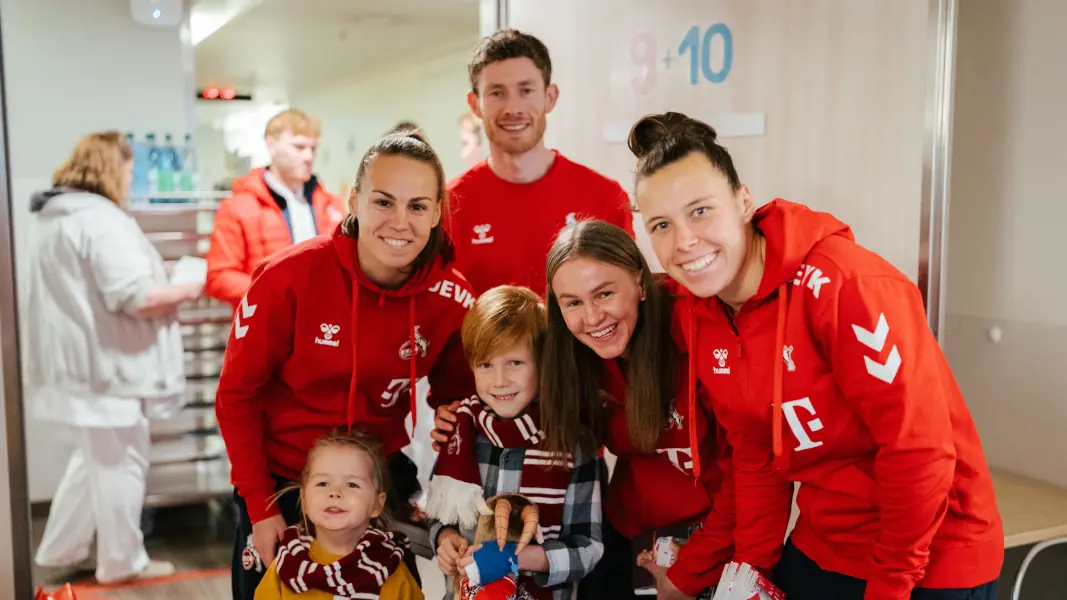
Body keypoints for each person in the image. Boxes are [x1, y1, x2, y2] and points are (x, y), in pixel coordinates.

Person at [627, 111, 1004, 600]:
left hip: (932, 556)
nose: (684, 242)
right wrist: (745, 576)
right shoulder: (704, 311)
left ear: (744, 201)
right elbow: (756, 456)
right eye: (661, 224)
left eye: (700, 211)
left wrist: (889, 588)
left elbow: (918, 452)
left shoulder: (847, 286)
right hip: (825, 543)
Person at [216, 129, 476, 600]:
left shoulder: (451, 297)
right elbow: (236, 397)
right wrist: (259, 505)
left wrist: (452, 472)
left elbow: (461, 402)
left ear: (438, 212)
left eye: (418, 206)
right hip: (284, 486)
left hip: (379, 489)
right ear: (354, 201)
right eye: (383, 202)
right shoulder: (288, 278)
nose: (400, 222)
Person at [432, 221, 734, 599]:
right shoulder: (566, 365)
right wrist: (456, 419)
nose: (591, 317)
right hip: (629, 531)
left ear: (639, 282)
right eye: (573, 301)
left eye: (604, 293)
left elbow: (747, 475)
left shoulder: (698, 339)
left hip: (708, 535)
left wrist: (692, 569)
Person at [26, 131, 202, 583]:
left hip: (81, 368)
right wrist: (189, 284)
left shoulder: (56, 216)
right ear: (113, 167)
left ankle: (62, 547)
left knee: (94, 462)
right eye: (128, 169)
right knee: (121, 462)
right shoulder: (100, 219)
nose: (130, 178)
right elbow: (135, 297)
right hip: (107, 370)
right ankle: (123, 562)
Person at [426, 285, 605, 600]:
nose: (500, 380)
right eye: (486, 365)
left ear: (543, 364)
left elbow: (588, 547)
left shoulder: (573, 444)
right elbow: (439, 516)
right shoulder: (459, 434)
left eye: (515, 363)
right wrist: (445, 539)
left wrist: (517, 558)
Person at [447, 29, 634, 295]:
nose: (513, 108)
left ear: (550, 97)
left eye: (526, 90)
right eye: (497, 93)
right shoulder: (446, 207)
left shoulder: (604, 198)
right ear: (475, 104)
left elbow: (626, 301)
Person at [254, 429, 424, 600]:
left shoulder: (392, 570)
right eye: (323, 483)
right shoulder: (286, 567)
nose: (335, 492)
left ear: (377, 504)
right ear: (304, 500)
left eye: (351, 484)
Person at [205, 108, 346, 309]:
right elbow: (218, 277)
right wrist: (277, 292)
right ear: (271, 145)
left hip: (324, 325)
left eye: (313, 149)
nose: (308, 156)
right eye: (299, 147)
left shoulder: (330, 204)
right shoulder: (238, 207)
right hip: (264, 324)